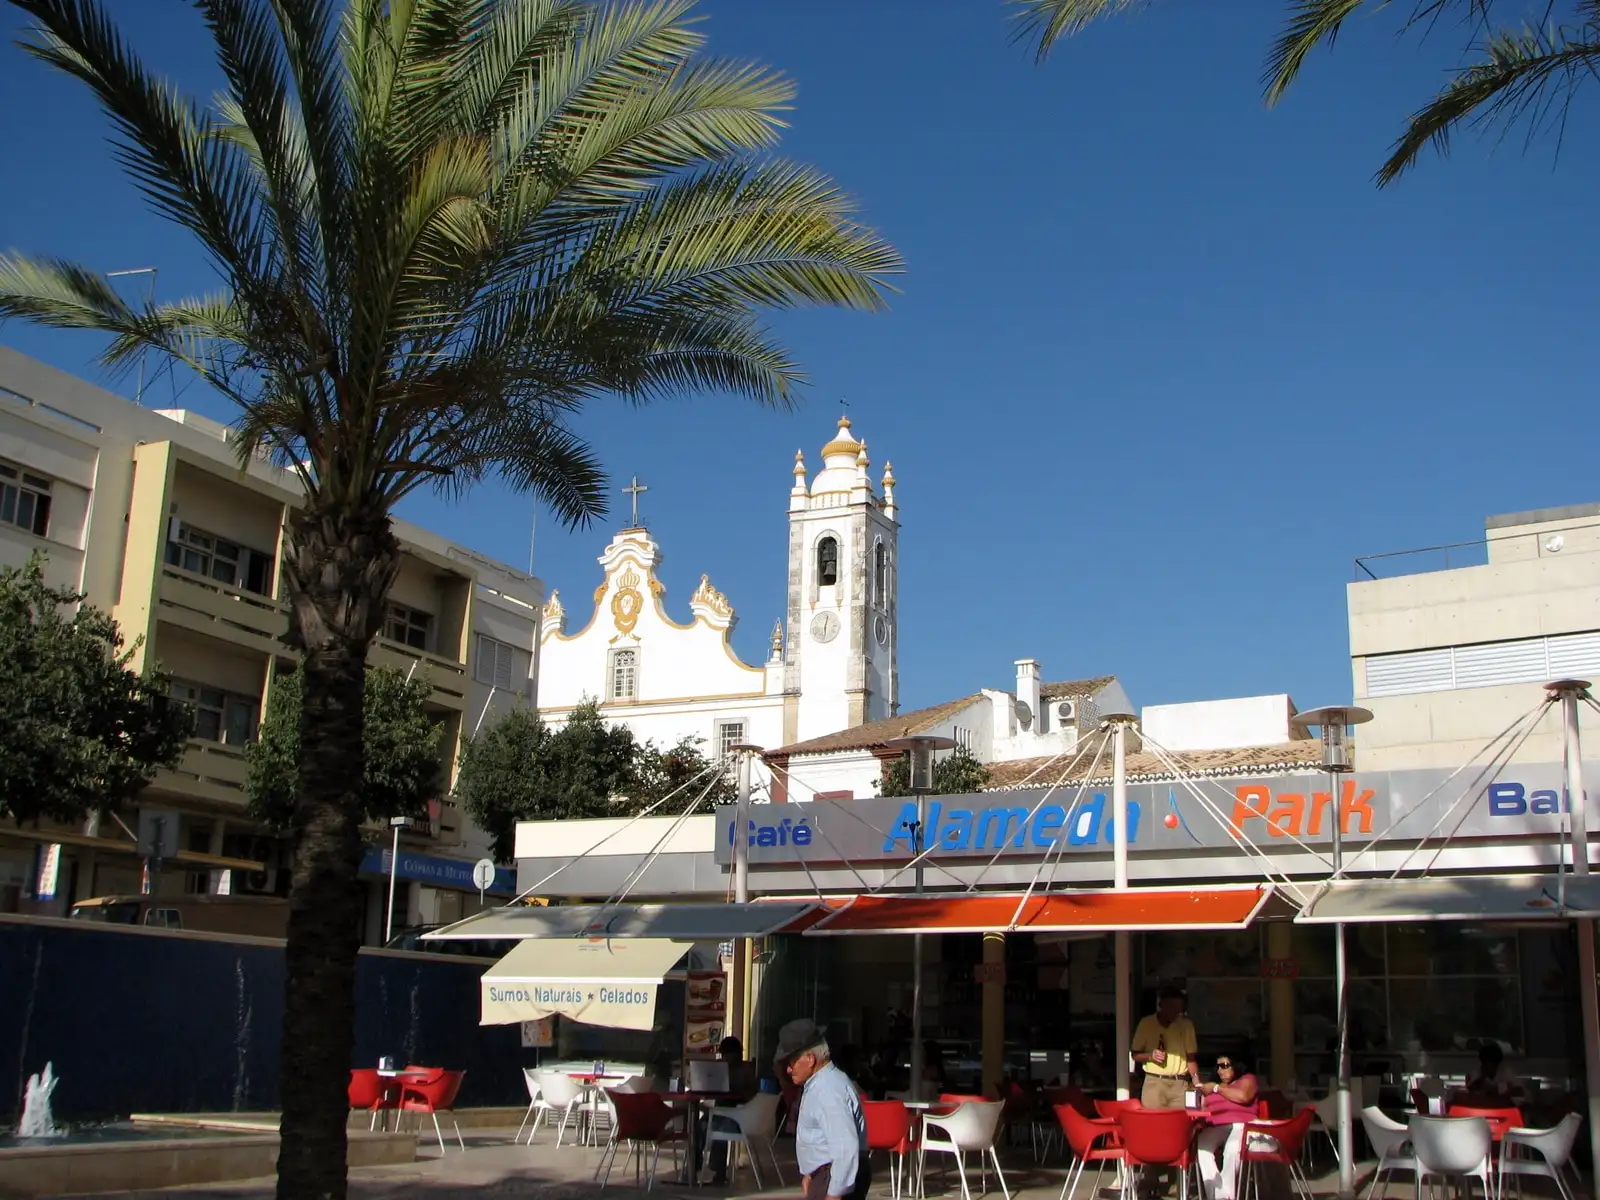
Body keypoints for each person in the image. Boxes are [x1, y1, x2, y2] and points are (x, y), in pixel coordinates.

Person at [775, 1018, 870, 1200]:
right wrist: (810, 1173)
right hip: (826, 1175)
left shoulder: (828, 1090)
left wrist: (834, 1193)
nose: (788, 1070)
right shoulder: (821, 1084)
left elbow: (845, 1148)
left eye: (792, 1062)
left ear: (810, 1059)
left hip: (833, 1177)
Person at [1195, 1052, 1262, 1200]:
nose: (1220, 1070)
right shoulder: (1212, 1086)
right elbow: (1203, 1107)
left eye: (1225, 1066)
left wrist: (1216, 1089)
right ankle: (1216, 1195)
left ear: (1236, 1066)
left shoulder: (1247, 1079)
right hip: (1216, 1125)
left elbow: (1243, 1096)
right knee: (1203, 1147)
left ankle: (1224, 1197)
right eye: (1218, 1067)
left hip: (1243, 1123)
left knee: (1232, 1149)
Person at [1130, 986, 1200, 1109]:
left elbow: (1191, 1058)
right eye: (1171, 1008)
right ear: (1161, 1005)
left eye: (1179, 1010)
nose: (1175, 1013)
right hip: (1155, 1081)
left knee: (1178, 1122)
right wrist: (1150, 1056)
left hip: (1180, 1082)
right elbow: (1135, 1054)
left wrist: (1196, 1082)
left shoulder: (1186, 1025)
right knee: (1154, 1123)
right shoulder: (1146, 1023)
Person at [698, 1035, 752, 1185]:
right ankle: (695, 1163)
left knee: (718, 1129)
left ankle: (719, 1173)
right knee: (700, 1126)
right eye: (724, 1055)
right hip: (721, 1112)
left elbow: (750, 1095)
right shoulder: (720, 1069)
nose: (726, 1058)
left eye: (728, 1055)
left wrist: (734, 1091)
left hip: (740, 1116)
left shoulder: (746, 1070)